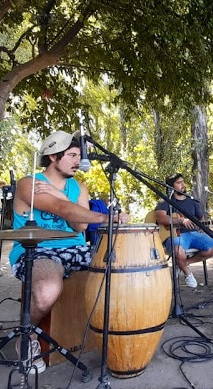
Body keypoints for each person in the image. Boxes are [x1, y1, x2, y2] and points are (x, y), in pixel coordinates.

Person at [9, 130, 129, 372]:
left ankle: (115, 334)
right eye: (72, 155)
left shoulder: (79, 187)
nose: (78, 161)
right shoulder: (29, 184)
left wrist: (61, 194)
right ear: (53, 157)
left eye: (78, 155)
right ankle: (26, 336)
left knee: (123, 270)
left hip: (74, 247)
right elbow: (60, 208)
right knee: (47, 290)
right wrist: (107, 217)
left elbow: (80, 225)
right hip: (36, 250)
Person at [153, 173, 213, 288]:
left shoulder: (192, 201)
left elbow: (201, 219)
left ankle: (184, 264)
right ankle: (188, 273)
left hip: (193, 234)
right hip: (174, 235)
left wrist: (203, 227)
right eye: (179, 183)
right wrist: (181, 221)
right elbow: (160, 218)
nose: (183, 185)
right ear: (171, 187)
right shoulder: (165, 201)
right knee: (178, 251)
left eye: (183, 182)